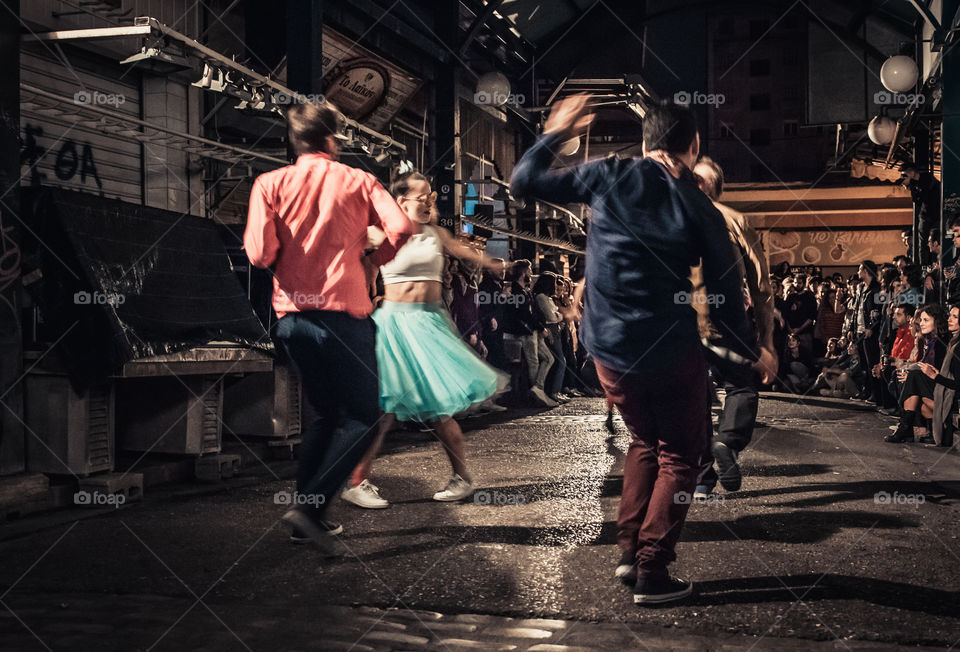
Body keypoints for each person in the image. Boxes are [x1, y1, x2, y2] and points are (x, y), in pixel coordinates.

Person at [511, 96, 772, 605]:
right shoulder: (697, 204)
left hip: (609, 353)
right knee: (681, 454)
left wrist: (555, 133)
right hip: (671, 352)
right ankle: (652, 571)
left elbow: (524, 182)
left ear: (649, 141)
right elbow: (724, 290)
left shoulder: (609, 174)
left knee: (642, 442)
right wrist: (750, 352)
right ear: (692, 147)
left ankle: (629, 553)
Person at [244, 101, 415, 550]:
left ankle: (309, 514)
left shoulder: (268, 184)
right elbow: (400, 227)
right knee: (365, 415)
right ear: (332, 140)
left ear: (294, 141)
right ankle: (310, 507)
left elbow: (259, 255)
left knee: (323, 415)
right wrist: (373, 258)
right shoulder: (359, 181)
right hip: (344, 317)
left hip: (293, 321)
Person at [341, 171, 506, 509]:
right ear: (399, 201)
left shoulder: (436, 233)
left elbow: (465, 250)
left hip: (428, 324)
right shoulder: (380, 232)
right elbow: (365, 266)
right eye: (421, 195)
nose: (429, 201)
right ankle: (358, 481)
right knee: (383, 409)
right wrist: (367, 295)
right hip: (393, 326)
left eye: (431, 195)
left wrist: (490, 261)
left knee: (439, 408)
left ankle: (461, 478)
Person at [690, 156, 777, 497]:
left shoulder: (671, 218)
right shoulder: (736, 220)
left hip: (686, 317)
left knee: (694, 392)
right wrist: (767, 340)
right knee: (741, 384)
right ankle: (727, 440)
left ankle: (701, 479)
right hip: (729, 315)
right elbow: (762, 285)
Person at [886, 304, 948, 443]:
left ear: (936, 321)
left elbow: (938, 373)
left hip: (945, 390)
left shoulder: (940, 342)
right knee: (908, 378)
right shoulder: (930, 340)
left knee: (912, 377)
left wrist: (913, 375)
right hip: (933, 387)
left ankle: (907, 426)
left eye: (926, 320)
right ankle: (910, 426)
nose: (921, 323)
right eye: (921, 320)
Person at [501, 259, 557, 407]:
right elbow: (524, 314)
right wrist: (540, 327)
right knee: (534, 362)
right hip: (525, 331)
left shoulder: (525, 291)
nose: (531, 274)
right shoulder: (515, 290)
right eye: (530, 271)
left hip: (532, 330)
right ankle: (537, 395)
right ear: (523, 273)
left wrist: (539, 327)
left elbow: (531, 313)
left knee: (549, 358)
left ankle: (538, 388)